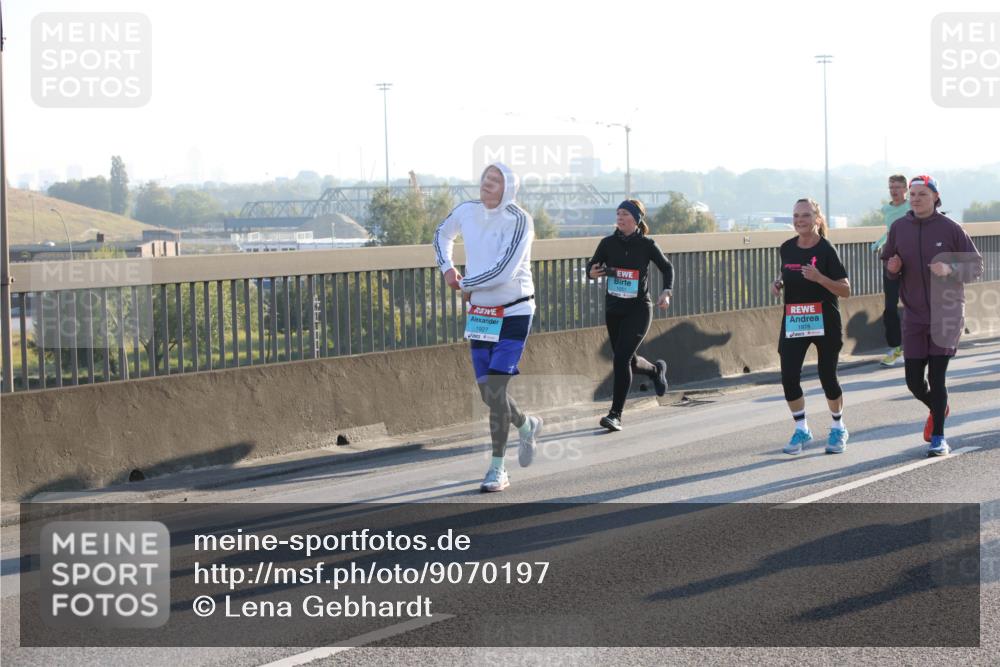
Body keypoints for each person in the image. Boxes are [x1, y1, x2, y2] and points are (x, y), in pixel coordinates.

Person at [434, 162, 542, 492]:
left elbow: (504, 271)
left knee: (496, 388)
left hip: (514, 310)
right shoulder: (467, 211)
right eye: (485, 178)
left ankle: (497, 468)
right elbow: (442, 233)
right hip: (481, 313)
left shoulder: (520, 220)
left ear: (508, 187)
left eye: (495, 180)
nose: (487, 184)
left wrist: (467, 283)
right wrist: (447, 269)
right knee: (487, 392)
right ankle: (526, 425)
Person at [880, 175, 983, 456]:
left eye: (922, 194)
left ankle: (939, 437)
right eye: (912, 194)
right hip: (913, 314)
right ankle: (939, 408)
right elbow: (890, 268)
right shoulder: (899, 228)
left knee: (937, 378)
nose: (915, 198)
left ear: (936, 197)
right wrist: (893, 267)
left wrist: (951, 268)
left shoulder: (951, 228)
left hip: (946, 313)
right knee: (914, 381)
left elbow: (975, 267)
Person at [771, 198, 852, 455]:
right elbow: (788, 271)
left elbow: (846, 290)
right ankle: (801, 428)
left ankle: (838, 427)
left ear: (817, 219)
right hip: (796, 319)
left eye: (805, 215)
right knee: (789, 377)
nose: (799, 220)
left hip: (825, 319)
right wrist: (779, 283)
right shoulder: (786, 247)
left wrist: (820, 278)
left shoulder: (826, 250)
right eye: (796, 216)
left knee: (827, 376)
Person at [587, 199, 673, 432]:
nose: (620, 217)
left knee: (621, 359)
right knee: (629, 360)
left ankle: (615, 414)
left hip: (639, 308)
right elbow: (591, 268)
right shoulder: (607, 243)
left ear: (636, 218)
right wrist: (592, 272)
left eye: (624, 213)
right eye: (618, 214)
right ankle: (656, 370)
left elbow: (667, 267)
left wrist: (666, 291)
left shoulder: (647, 245)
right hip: (614, 309)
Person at [872, 175, 910, 367]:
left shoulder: (912, 206)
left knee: (915, 303)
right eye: (891, 187)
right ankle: (895, 348)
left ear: (905, 189)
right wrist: (879, 243)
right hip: (891, 260)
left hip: (911, 260)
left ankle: (924, 343)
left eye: (897, 187)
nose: (894, 191)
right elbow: (890, 230)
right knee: (890, 306)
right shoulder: (886, 209)